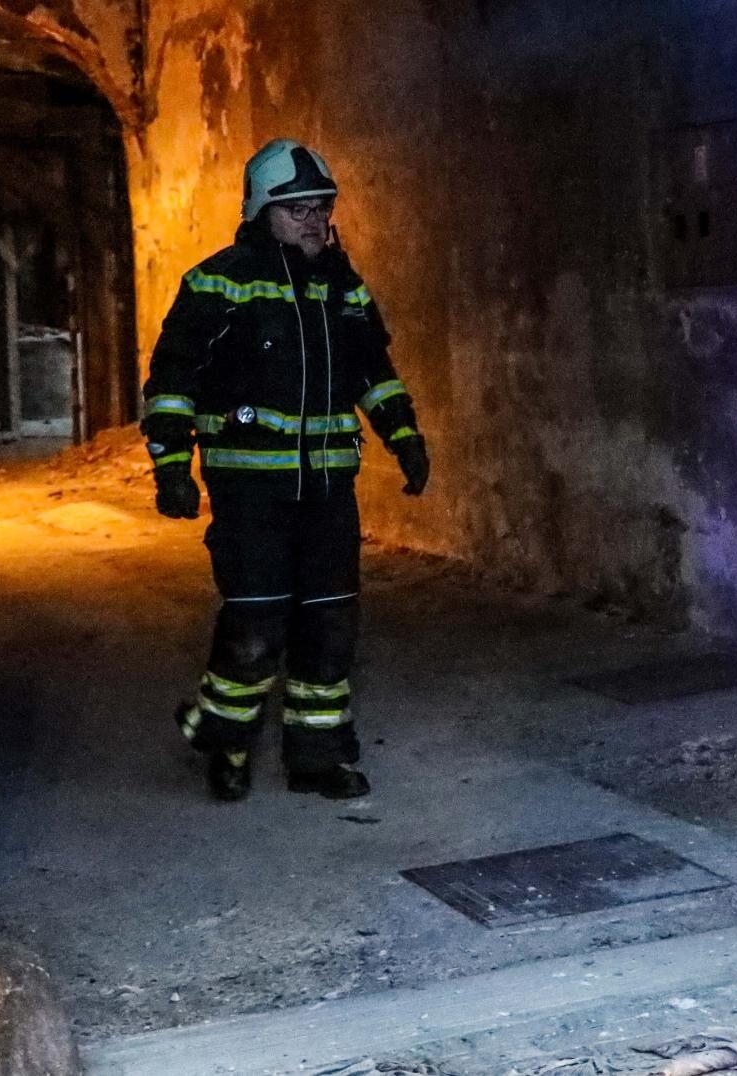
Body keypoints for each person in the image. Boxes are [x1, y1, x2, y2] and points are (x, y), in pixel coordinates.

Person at [141, 139, 430, 802]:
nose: (312, 220)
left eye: (321, 206)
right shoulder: (219, 282)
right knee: (256, 626)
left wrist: (405, 437)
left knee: (330, 627)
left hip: (329, 491)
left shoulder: (344, 288)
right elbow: (172, 379)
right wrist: (172, 465)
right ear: (260, 212)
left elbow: (372, 373)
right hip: (251, 496)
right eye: (295, 208)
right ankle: (226, 737)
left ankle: (316, 756)